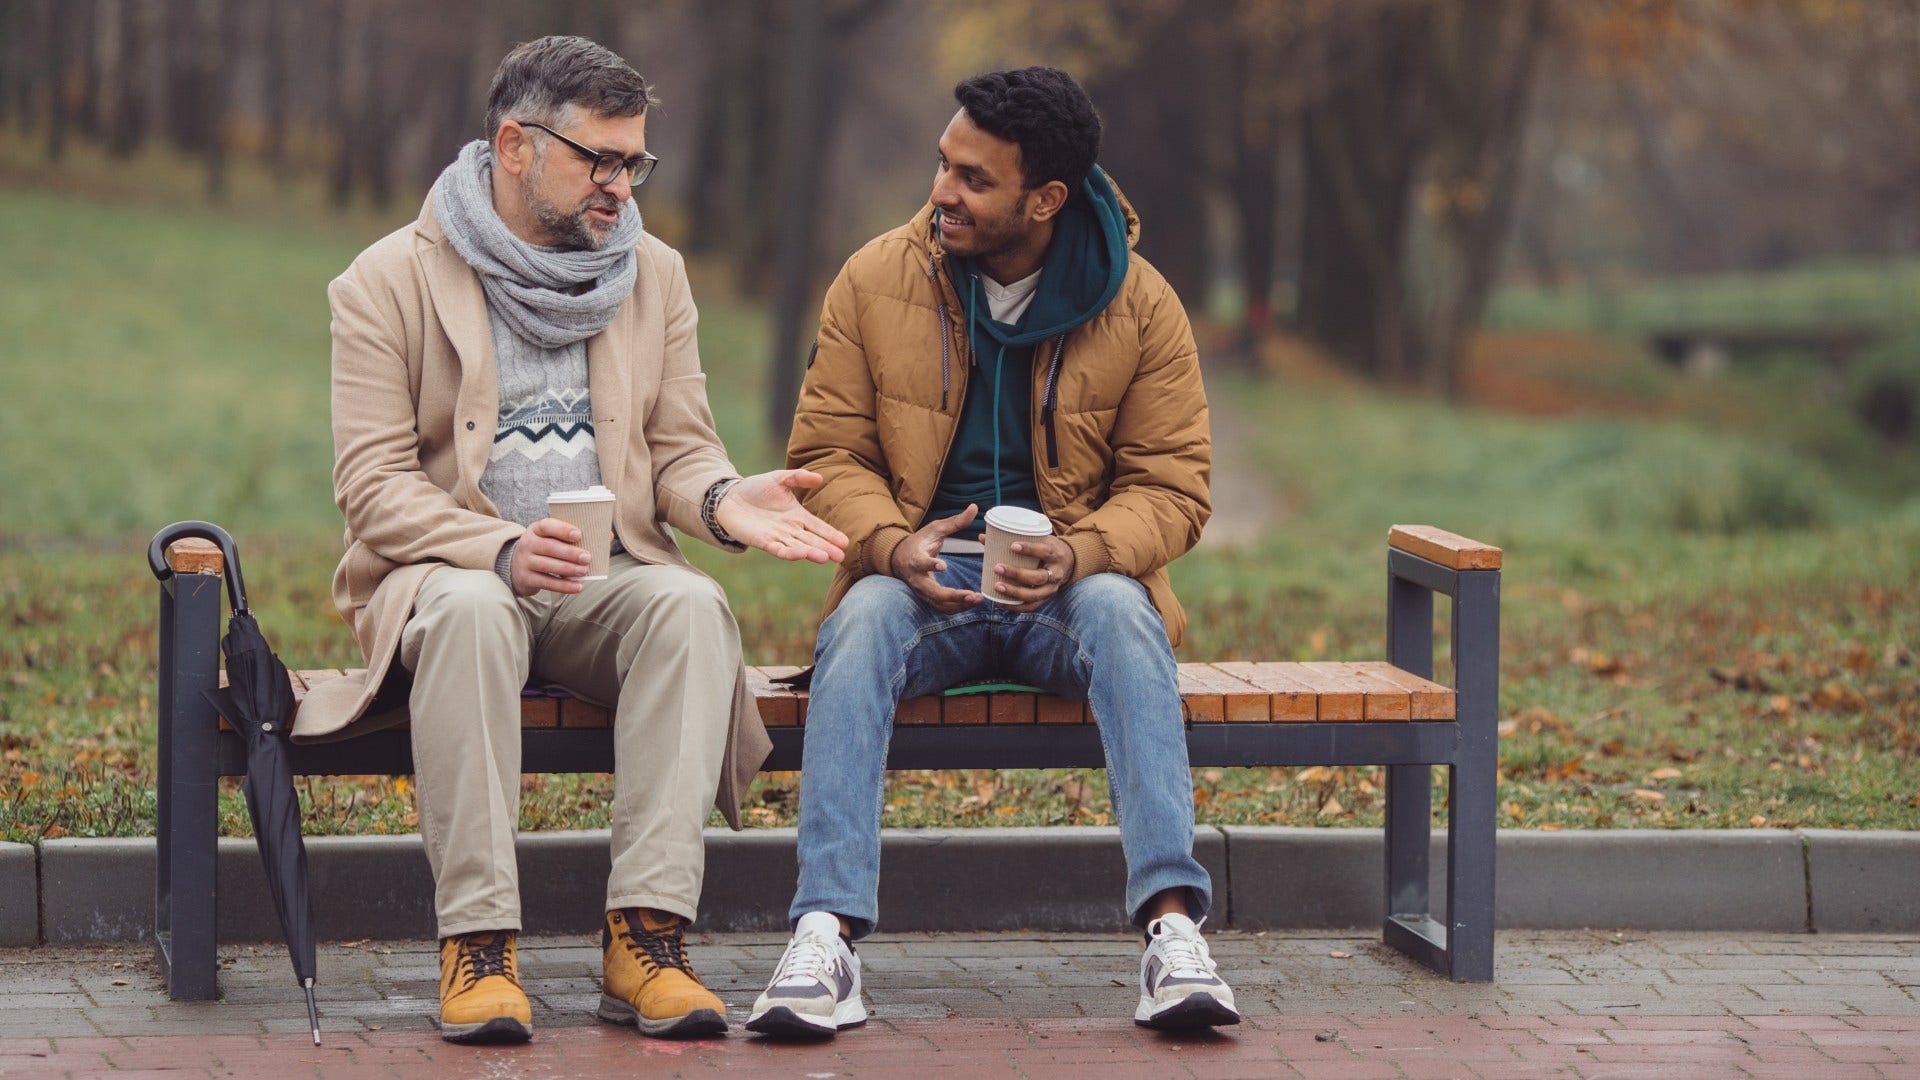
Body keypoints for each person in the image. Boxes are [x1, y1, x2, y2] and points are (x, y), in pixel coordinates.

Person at [299, 35, 848, 1045]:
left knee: (688, 606)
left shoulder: (653, 273)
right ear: (515, 145)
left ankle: (646, 938)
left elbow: (680, 452)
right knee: (470, 613)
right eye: (598, 158)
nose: (620, 184)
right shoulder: (385, 282)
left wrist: (727, 502)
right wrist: (500, 550)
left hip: (605, 583)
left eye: (634, 161)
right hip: (451, 581)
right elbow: (372, 489)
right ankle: (479, 945)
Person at [748, 66, 1236, 1037]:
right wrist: (890, 544)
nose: (942, 193)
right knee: (861, 622)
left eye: (974, 179)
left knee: (1125, 617)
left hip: (1069, 586)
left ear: (1045, 199)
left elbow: (1175, 484)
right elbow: (826, 455)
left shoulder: (1139, 304)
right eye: (942, 165)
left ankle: (1174, 938)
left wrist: (1087, 550)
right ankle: (822, 938)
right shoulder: (876, 278)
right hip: (922, 580)